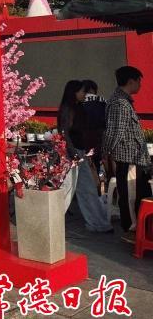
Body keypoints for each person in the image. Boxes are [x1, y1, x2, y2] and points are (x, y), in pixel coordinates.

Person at [104, 66, 153, 243]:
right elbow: (114, 132)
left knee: (138, 194)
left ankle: (139, 230)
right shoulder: (120, 104)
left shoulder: (123, 101)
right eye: (139, 81)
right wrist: (107, 154)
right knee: (131, 197)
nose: (140, 85)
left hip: (134, 158)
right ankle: (132, 231)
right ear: (131, 81)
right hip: (128, 158)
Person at [57, 80, 113, 233]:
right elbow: (64, 133)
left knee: (88, 189)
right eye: (82, 91)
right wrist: (73, 153)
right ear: (74, 92)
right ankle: (51, 222)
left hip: (80, 152)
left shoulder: (79, 108)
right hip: (72, 154)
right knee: (67, 189)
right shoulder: (68, 109)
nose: (84, 94)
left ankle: (97, 224)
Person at [81, 80, 108, 191]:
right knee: (98, 166)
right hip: (100, 139)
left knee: (86, 168)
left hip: (84, 140)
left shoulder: (80, 102)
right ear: (94, 90)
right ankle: (98, 191)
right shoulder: (104, 101)